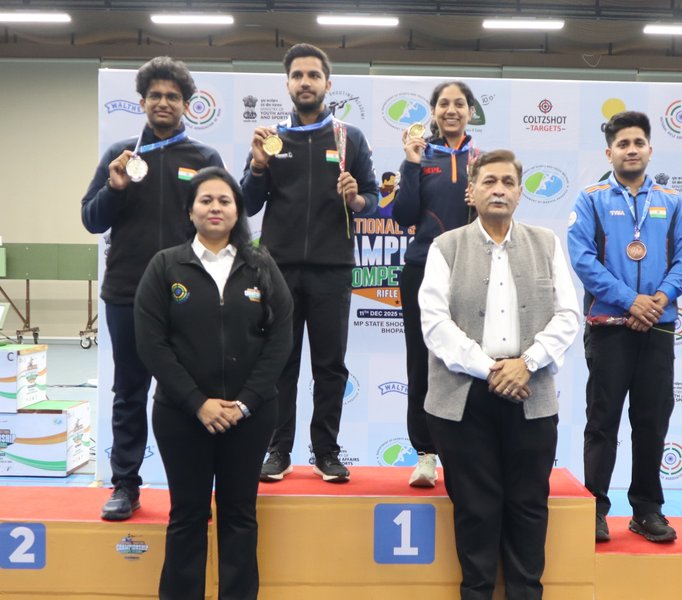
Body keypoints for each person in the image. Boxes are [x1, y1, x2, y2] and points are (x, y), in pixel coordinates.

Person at [419, 150, 580, 599]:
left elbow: (568, 316)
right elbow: (434, 323)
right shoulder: (445, 246)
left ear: (520, 191)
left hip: (531, 390)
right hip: (464, 395)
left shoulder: (546, 242)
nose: (499, 189)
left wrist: (525, 363)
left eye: (508, 182)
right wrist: (491, 369)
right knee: (476, 508)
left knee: (529, 506)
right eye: (489, 181)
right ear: (471, 191)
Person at [134, 166, 293, 599]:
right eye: (206, 200)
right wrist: (197, 403)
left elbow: (281, 340)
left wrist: (244, 403)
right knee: (187, 515)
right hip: (181, 416)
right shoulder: (165, 266)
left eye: (225, 200)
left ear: (238, 210)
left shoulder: (261, 265)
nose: (215, 207)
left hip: (251, 416)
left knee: (240, 515)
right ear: (191, 211)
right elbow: (152, 344)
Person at [81, 56, 224, 520]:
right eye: (156, 96)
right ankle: (125, 484)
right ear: (142, 102)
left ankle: (194, 486)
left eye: (173, 96)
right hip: (127, 293)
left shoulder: (204, 160)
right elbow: (91, 219)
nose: (164, 103)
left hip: (190, 296)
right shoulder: (121, 156)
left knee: (193, 392)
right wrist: (115, 187)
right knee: (129, 392)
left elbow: (224, 225)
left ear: (187, 105)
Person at [241, 43, 378, 483]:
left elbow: (372, 201)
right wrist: (258, 167)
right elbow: (247, 202)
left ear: (327, 84)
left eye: (313, 75)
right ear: (287, 84)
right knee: (280, 364)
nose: (305, 82)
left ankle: (326, 452)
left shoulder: (348, 138)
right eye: (297, 75)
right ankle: (278, 451)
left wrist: (355, 197)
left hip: (332, 268)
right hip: (277, 271)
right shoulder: (270, 139)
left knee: (330, 366)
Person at [567, 111, 682, 543]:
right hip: (610, 326)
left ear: (649, 149)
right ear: (610, 152)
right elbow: (583, 260)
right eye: (622, 144)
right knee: (602, 421)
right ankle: (595, 509)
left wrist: (658, 300)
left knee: (651, 422)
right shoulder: (591, 199)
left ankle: (646, 510)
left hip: (657, 326)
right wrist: (631, 300)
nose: (631, 150)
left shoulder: (673, 202)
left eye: (638, 142)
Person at [392, 80, 478, 487]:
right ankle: (425, 455)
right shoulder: (421, 155)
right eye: (444, 103)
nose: (451, 110)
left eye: (459, 103)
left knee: (470, 361)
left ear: (470, 112)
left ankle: (464, 451)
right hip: (422, 270)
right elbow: (403, 216)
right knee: (422, 363)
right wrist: (410, 164)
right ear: (433, 111)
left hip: (473, 271)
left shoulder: (483, 160)